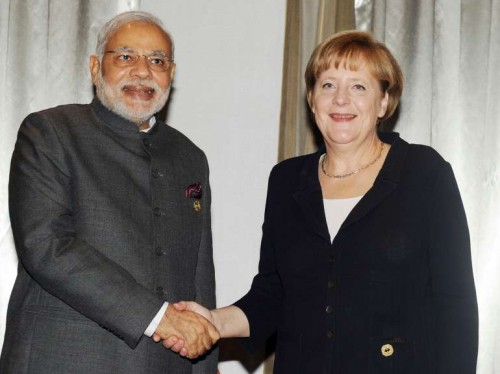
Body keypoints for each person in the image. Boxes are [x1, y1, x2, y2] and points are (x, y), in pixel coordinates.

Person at [165, 30, 479, 373]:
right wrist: (212, 320)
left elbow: (456, 304)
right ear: (313, 99)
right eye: (328, 85)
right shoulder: (286, 181)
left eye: (358, 86)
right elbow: (274, 294)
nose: (340, 100)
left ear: (384, 102)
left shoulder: (424, 173)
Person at [0, 11, 219, 374]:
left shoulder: (189, 157)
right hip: (64, 360)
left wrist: (203, 362)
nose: (143, 71)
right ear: (94, 67)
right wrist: (157, 317)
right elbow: (47, 246)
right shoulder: (51, 132)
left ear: (171, 75)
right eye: (125, 56)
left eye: (158, 61)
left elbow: (198, 277)